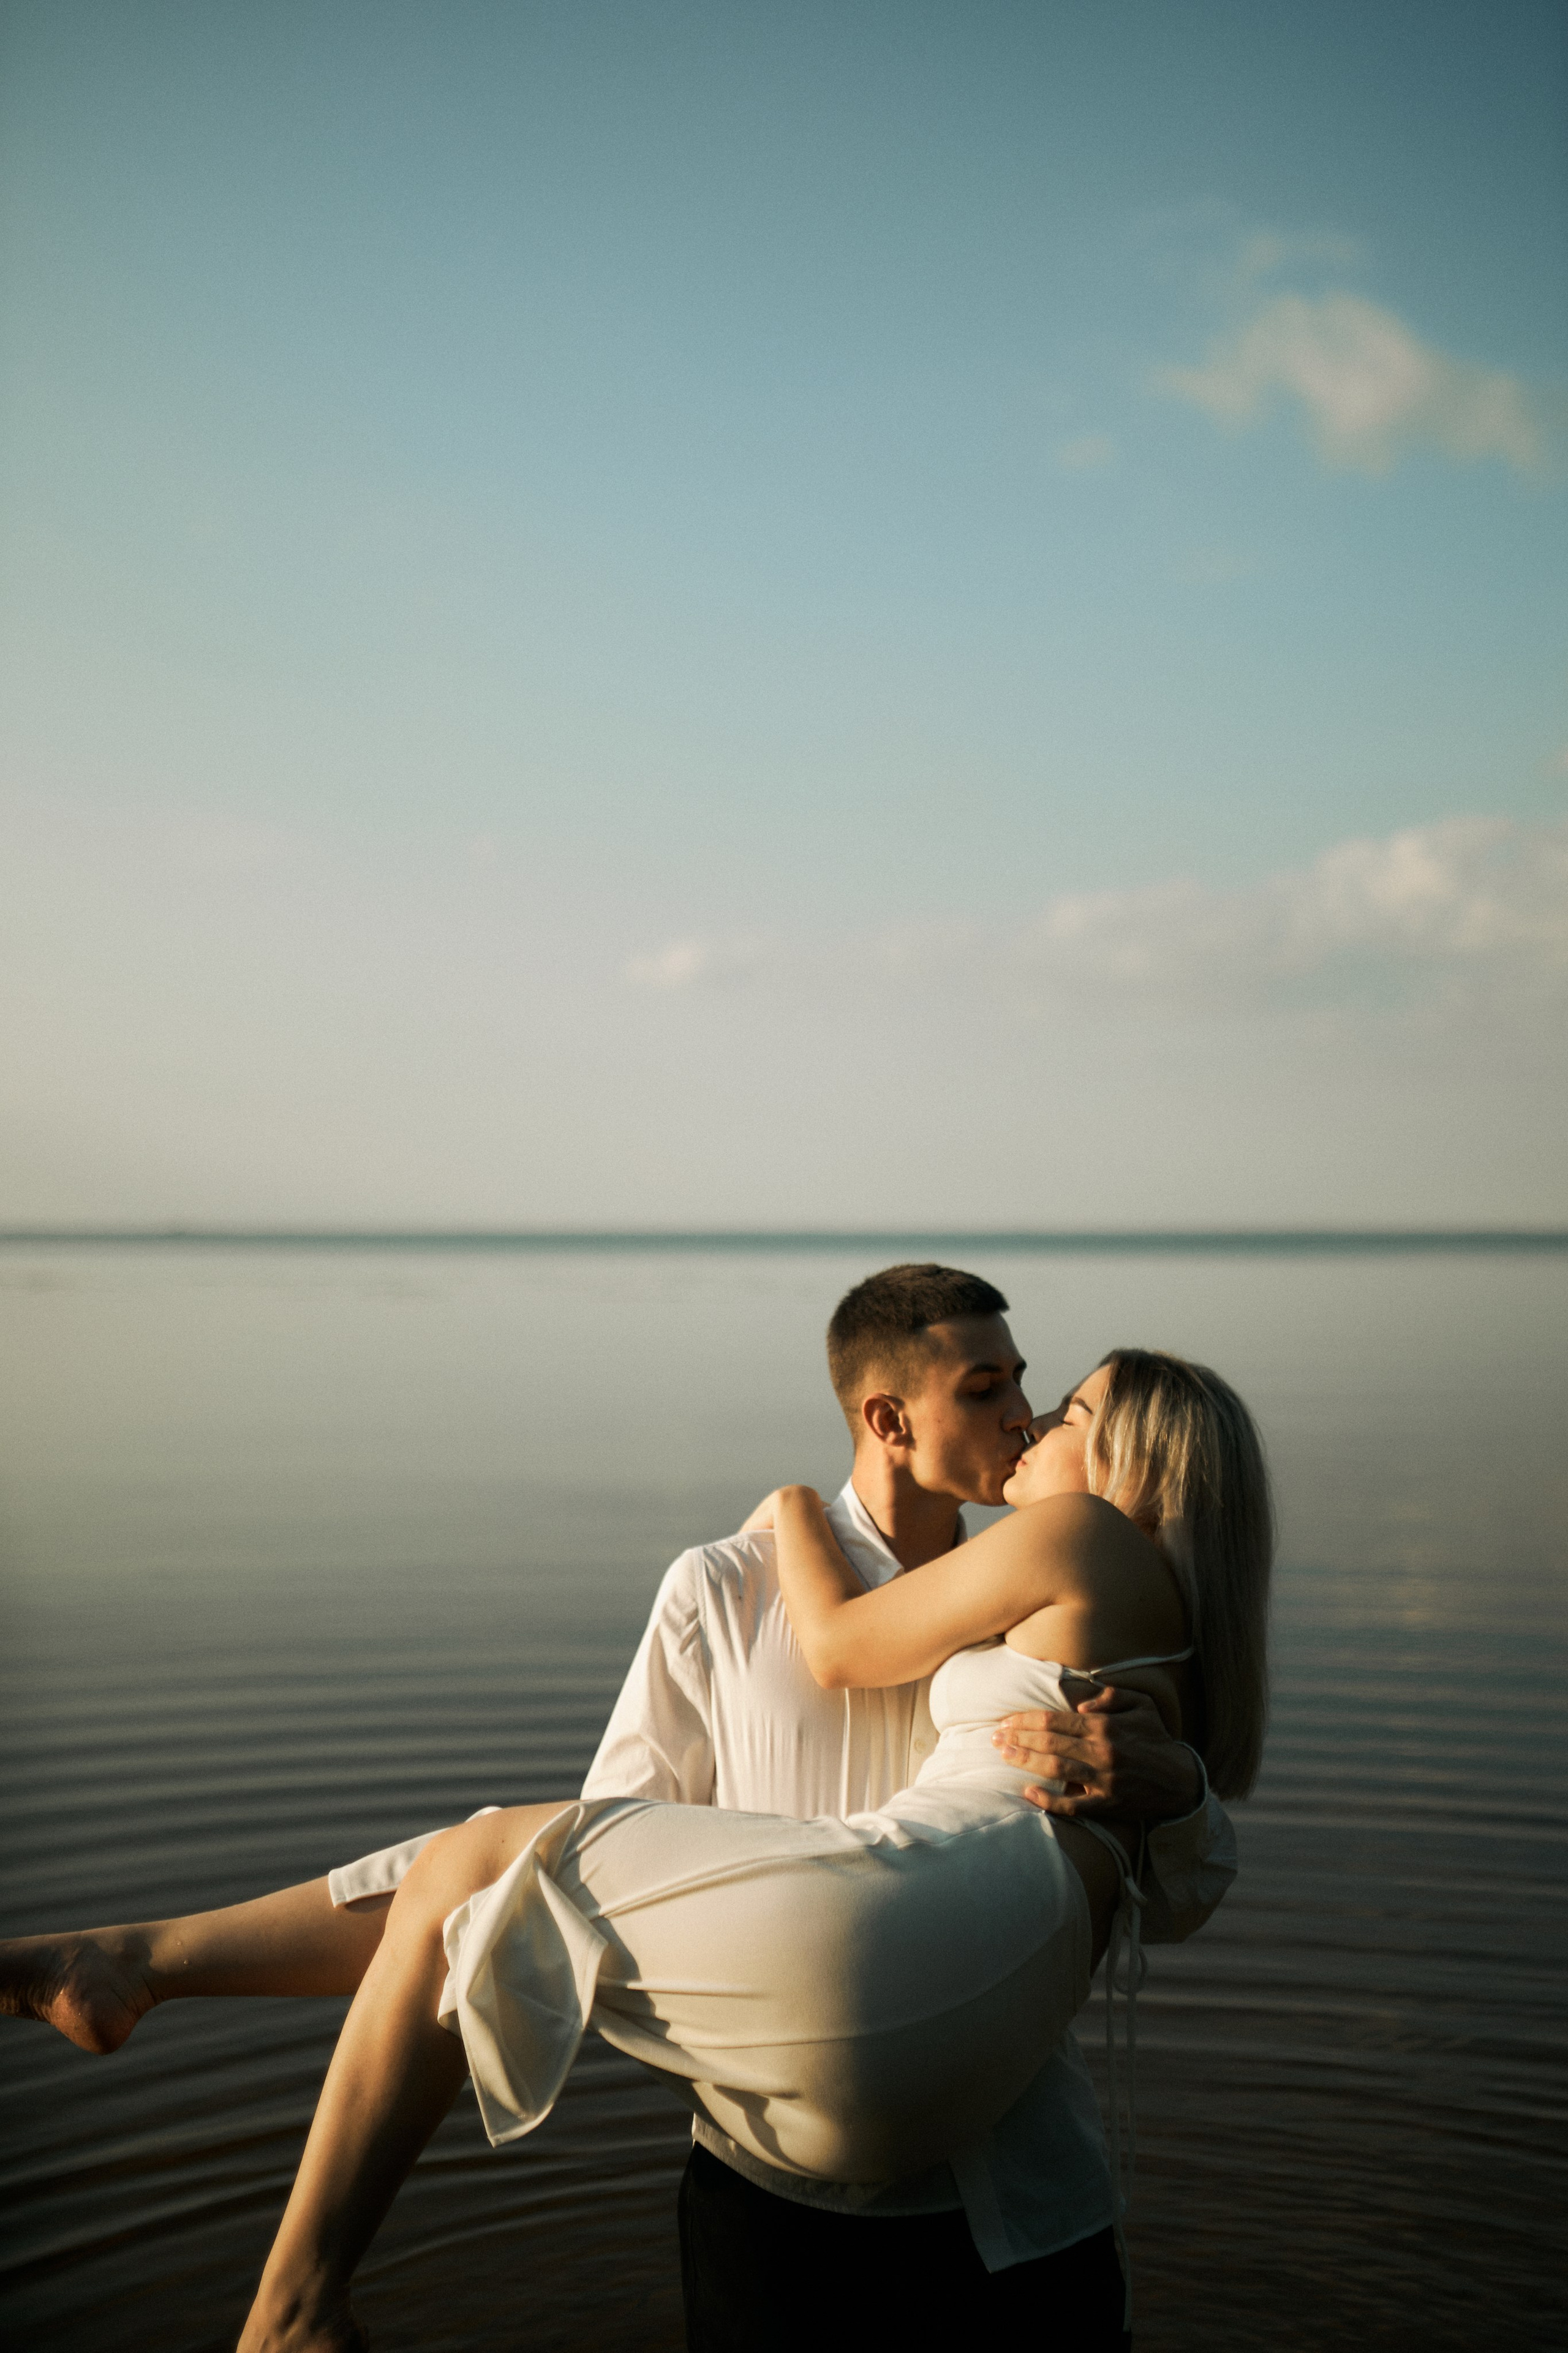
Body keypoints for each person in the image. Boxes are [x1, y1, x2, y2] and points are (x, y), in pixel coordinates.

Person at [1, 1269, 1254, 2350]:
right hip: (776, 2198)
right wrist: (787, 1522)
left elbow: (1185, 1897)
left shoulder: (1064, 1597)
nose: (1025, 1414)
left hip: (1010, 2199)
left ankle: (153, 1995)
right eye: (988, 1388)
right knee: (498, 1876)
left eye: (1034, 1389)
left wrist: (1181, 1790)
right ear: (888, 1415)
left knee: (489, 1863)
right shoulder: (727, 1588)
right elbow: (574, 1873)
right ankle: (138, 1969)